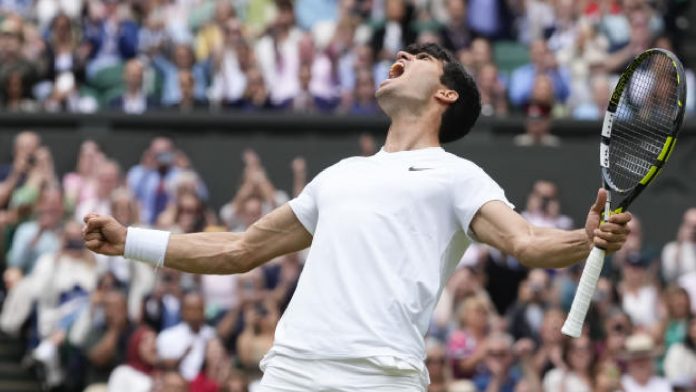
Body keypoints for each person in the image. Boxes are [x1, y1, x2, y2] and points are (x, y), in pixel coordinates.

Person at [83, 42, 632, 390]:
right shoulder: (338, 174)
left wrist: (585, 238)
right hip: (292, 369)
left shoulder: (459, 176)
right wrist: (131, 239)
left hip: (381, 378)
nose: (405, 56)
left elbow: (528, 243)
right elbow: (240, 248)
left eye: (422, 56)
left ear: (445, 92)